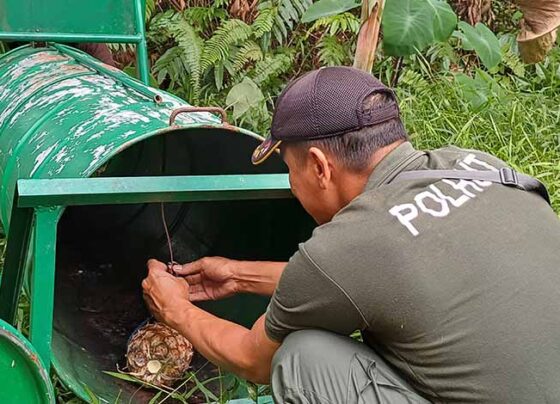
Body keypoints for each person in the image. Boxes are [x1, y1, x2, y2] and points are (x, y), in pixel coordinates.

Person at [142, 66, 560, 403]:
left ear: (320, 167)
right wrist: (240, 275)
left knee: (301, 360)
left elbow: (253, 359)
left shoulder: (350, 242)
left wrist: (175, 310)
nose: (291, 187)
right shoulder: (474, 164)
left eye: (290, 171)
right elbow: (396, 268)